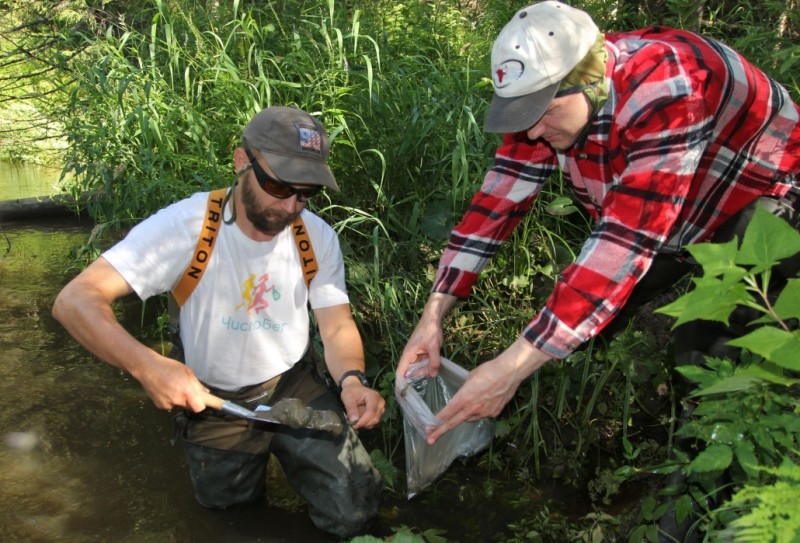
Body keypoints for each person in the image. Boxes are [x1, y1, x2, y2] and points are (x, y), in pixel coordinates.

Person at [396, 1, 799, 536]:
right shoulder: (550, 101)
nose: (533, 133)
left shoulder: (670, 89)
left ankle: (696, 506)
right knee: (574, 330)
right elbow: (496, 202)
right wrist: (434, 313)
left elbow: (622, 245)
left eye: (542, 114)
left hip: (761, 203)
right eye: (522, 117)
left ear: (589, 82)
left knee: (713, 359)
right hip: (669, 212)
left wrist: (512, 367)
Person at [53, 106, 385, 540]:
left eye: (306, 194)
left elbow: (336, 323)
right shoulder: (186, 228)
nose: (290, 207)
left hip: (294, 385)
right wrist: (148, 366)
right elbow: (75, 300)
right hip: (213, 401)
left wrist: (353, 381)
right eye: (278, 186)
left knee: (355, 507)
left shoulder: (315, 236)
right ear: (242, 161)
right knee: (231, 521)